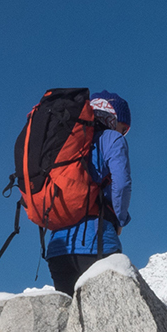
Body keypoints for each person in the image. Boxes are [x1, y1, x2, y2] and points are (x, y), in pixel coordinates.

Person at [44, 91, 132, 294]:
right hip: (97, 243)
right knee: (108, 320)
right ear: (114, 118)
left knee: (72, 319)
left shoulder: (63, 142)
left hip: (58, 249)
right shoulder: (112, 139)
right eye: (124, 128)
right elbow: (122, 183)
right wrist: (119, 219)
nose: (122, 133)